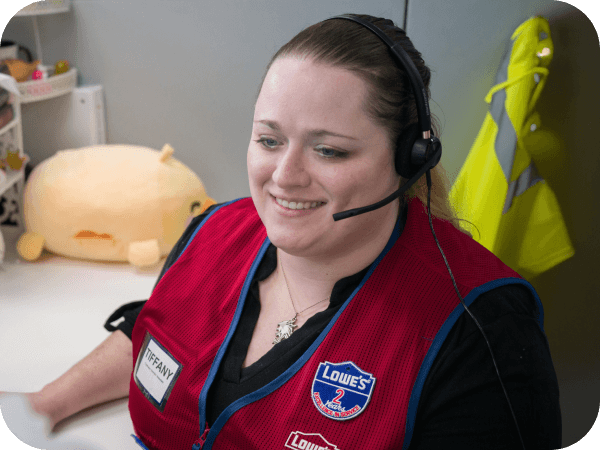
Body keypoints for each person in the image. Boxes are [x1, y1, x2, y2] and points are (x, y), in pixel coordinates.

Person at [2, 14, 561, 450]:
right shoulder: (213, 232)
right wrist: (43, 406)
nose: (284, 177)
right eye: (270, 141)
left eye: (329, 150)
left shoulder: (478, 335)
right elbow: (157, 333)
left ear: (407, 158)